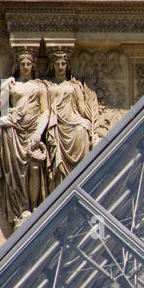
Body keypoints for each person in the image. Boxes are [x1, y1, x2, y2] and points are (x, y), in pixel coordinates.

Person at [0, 51, 52, 225]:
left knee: (35, 168)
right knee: (16, 172)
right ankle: (22, 209)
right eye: (22, 64)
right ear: (18, 65)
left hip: (32, 130)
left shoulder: (40, 87)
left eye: (28, 64)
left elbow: (45, 111)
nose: (25, 67)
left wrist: (39, 133)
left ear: (33, 66)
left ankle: (35, 205)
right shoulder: (11, 86)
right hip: (13, 132)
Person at [44, 50, 99, 190]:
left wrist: (89, 121)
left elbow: (81, 109)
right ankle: (61, 188)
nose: (60, 66)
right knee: (59, 161)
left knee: (81, 130)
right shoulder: (46, 85)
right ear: (53, 66)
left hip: (73, 121)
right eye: (57, 64)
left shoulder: (74, 86)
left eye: (63, 63)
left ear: (67, 66)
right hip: (57, 125)